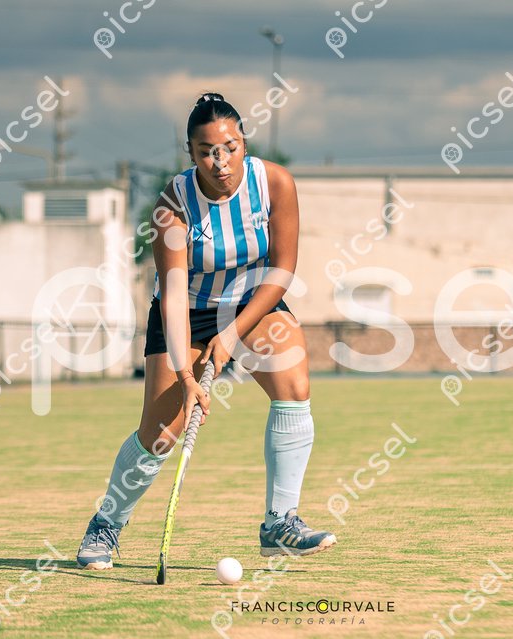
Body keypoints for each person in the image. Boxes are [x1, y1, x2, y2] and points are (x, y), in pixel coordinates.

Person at [76, 92, 337, 569]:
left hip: (253, 301)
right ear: (191, 153)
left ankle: (279, 522)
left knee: (294, 386)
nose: (221, 163)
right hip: (187, 312)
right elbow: (173, 298)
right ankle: (106, 523)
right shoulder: (172, 206)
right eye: (206, 152)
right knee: (160, 435)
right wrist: (187, 376)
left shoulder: (274, 183)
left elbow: (281, 270)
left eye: (230, 148)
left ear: (243, 142)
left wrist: (232, 335)